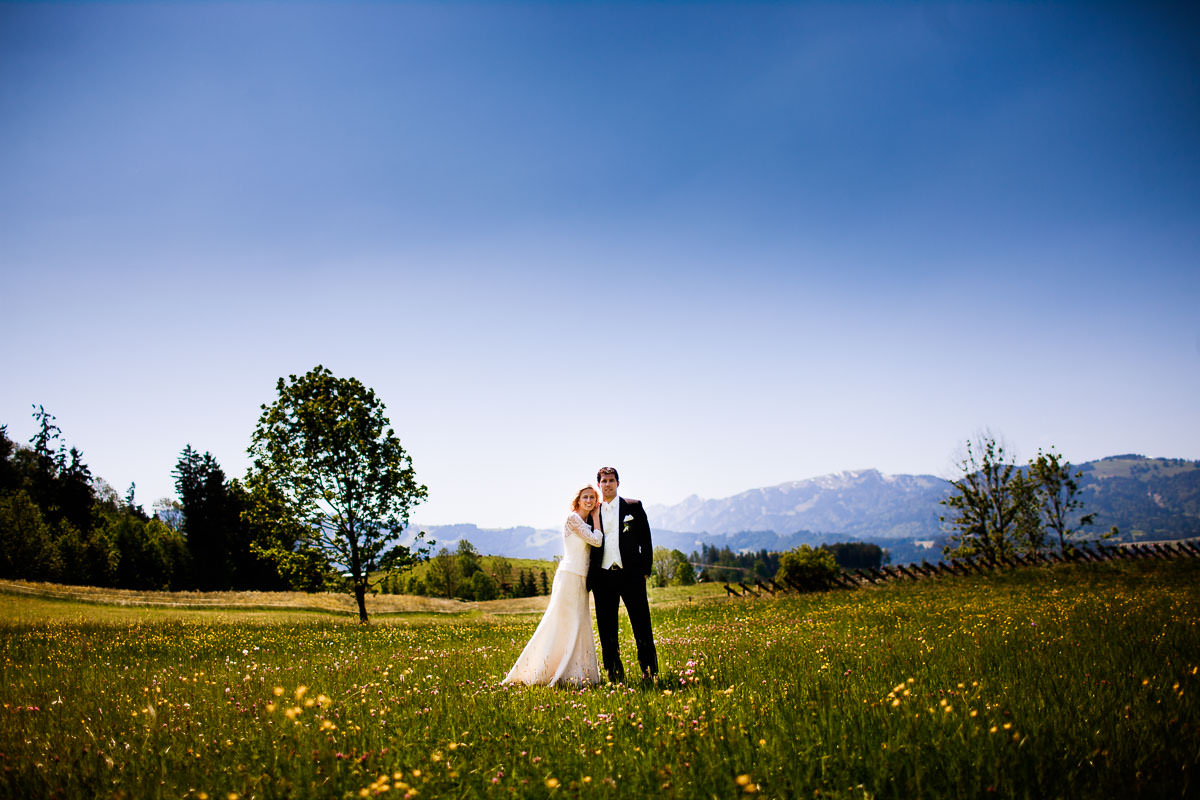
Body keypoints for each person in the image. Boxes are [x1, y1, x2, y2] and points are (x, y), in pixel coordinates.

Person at [502, 485, 604, 687]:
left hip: (581, 578)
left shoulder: (584, 521)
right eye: (585, 497)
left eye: (592, 497)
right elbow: (597, 541)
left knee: (579, 623)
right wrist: (598, 517)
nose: (589, 500)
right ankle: (544, 669)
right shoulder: (573, 519)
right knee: (563, 622)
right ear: (578, 499)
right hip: (570, 576)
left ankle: (576, 672)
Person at [587, 466, 658, 684]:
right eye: (604, 481)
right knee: (606, 628)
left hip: (632, 576)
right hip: (603, 577)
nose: (607, 484)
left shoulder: (633, 507)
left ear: (618, 483)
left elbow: (646, 540)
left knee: (641, 624)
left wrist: (645, 571)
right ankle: (614, 674)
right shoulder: (592, 512)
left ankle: (649, 671)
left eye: (611, 480)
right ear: (599, 485)